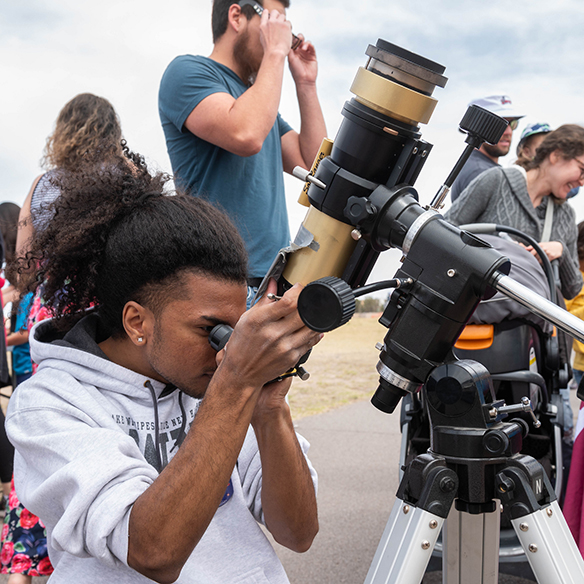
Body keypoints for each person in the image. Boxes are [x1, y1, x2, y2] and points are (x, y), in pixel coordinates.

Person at [5, 155, 321, 583]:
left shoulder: (223, 384)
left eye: (236, 327)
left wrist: (269, 410)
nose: (226, 350)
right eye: (211, 330)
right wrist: (234, 385)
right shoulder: (49, 405)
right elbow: (152, 551)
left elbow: (298, 532)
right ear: (137, 322)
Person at [158, 0, 327, 304]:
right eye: (273, 20)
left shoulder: (258, 107)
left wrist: (306, 83)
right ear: (236, 16)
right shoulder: (186, 72)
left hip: (271, 283)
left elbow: (316, 166)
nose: (282, 33)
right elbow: (246, 135)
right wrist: (275, 53)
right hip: (219, 283)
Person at [445, 124, 584, 301]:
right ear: (556, 155)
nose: (582, 182)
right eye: (582, 171)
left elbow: (573, 290)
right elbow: (444, 233)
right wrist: (501, 251)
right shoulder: (497, 181)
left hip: (531, 323)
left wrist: (561, 251)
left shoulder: (566, 215)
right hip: (474, 312)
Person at [450, 94, 524, 202]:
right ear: (480, 126)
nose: (508, 132)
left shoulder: (480, 167)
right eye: (500, 124)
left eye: (512, 124)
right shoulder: (480, 172)